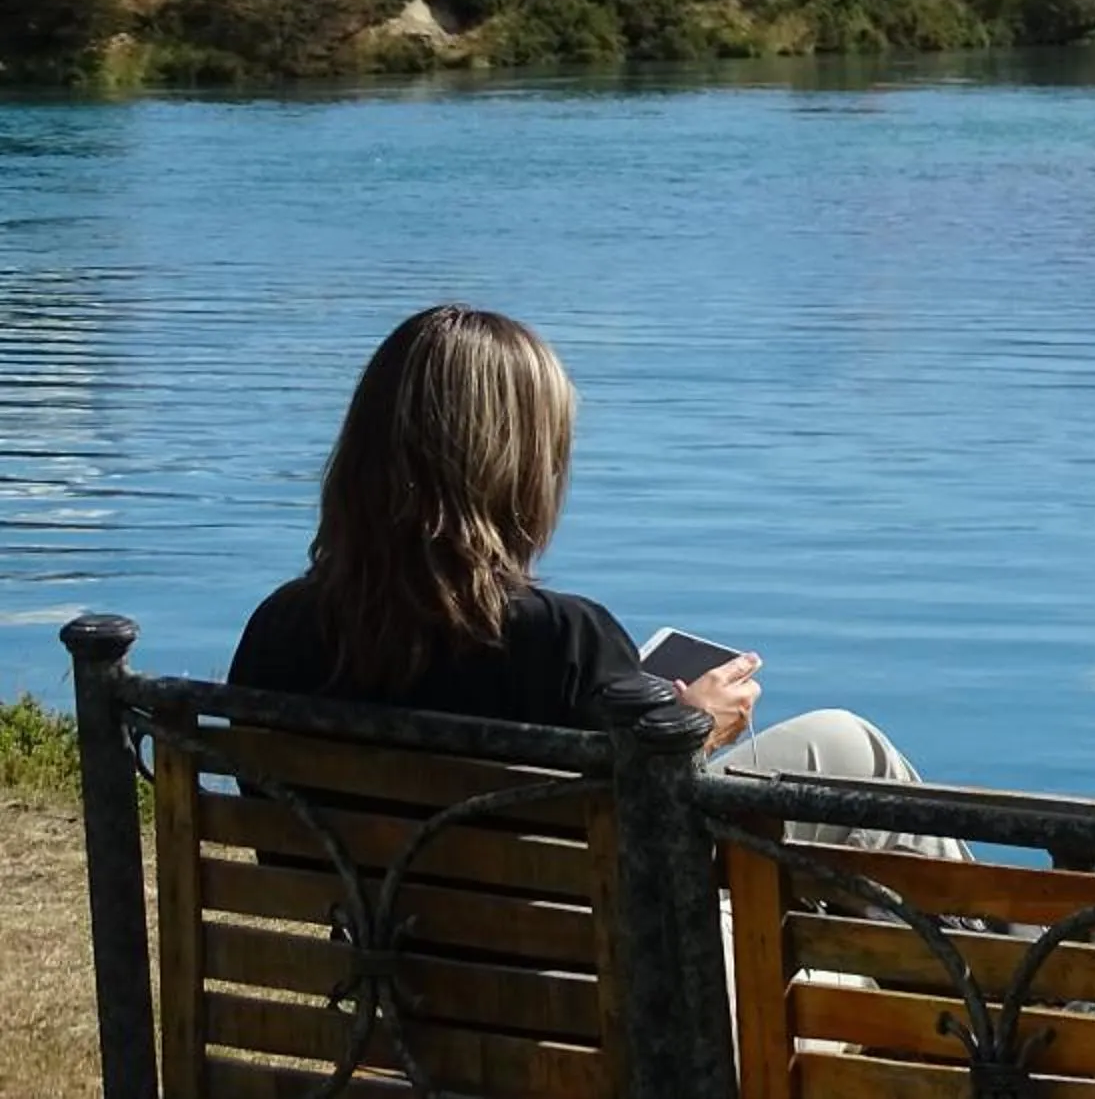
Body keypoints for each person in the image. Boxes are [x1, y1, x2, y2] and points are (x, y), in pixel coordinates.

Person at [230, 303, 961, 857]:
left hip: (399, 997)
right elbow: (646, 841)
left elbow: (274, 839)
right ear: (511, 470)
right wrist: (690, 729)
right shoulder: (562, 642)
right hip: (608, 1014)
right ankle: (1022, 1009)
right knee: (847, 745)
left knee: (836, 751)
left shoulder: (277, 634)